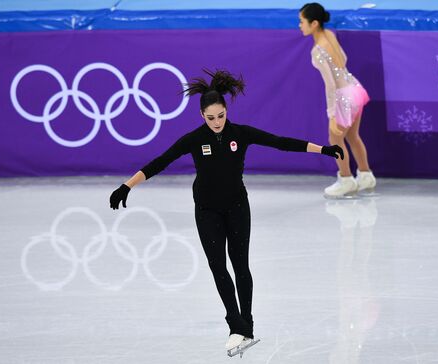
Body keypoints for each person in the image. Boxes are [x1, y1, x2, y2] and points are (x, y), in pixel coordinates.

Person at [109, 69, 344, 354]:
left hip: (237, 207)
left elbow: (281, 142)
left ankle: (247, 324)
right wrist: (127, 186)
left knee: (240, 265)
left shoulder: (240, 134)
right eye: (211, 118)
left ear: (226, 111)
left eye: (221, 116)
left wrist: (323, 150)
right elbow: (160, 162)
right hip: (207, 210)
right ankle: (235, 325)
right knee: (218, 266)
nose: (217, 122)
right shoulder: (194, 139)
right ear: (201, 116)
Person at [299, 3, 376, 198]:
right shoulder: (330, 35)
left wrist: (332, 113)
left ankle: (346, 179)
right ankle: (366, 176)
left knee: (335, 140)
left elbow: (331, 85)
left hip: (344, 95)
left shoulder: (317, 51)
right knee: (352, 136)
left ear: (314, 23)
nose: (299, 26)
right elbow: (344, 57)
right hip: (356, 88)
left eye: (302, 22)